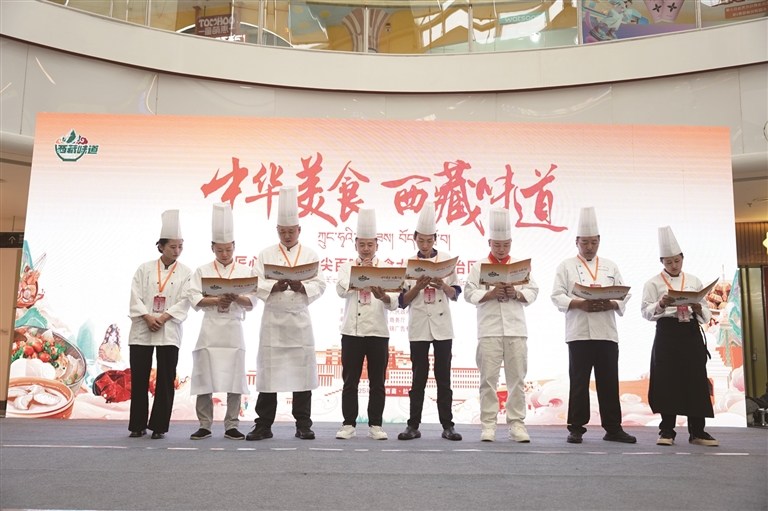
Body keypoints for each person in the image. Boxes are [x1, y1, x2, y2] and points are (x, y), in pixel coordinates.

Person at [247, 186, 326, 441]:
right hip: (273, 320)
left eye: (291, 231)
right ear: (277, 231)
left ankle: (303, 424)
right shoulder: (266, 254)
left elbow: (320, 284)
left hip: (299, 321)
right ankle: (263, 425)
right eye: (283, 232)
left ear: (299, 230)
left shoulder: (310, 254)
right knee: (269, 374)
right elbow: (254, 283)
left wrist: (302, 286)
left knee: (302, 375)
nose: (287, 236)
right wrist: (274, 287)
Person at [551, 206, 636, 444]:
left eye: (594, 242)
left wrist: (611, 303)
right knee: (579, 382)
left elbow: (624, 294)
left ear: (599, 241)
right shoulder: (566, 266)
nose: (589, 247)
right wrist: (580, 303)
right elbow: (557, 295)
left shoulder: (610, 265)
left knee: (609, 382)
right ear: (576, 242)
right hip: (579, 332)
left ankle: (613, 428)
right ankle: (576, 428)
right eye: (585, 242)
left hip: (607, 332)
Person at [464, 208, 539, 443]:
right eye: (497, 245)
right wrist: (490, 294)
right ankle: (488, 425)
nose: (501, 249)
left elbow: (533, 290)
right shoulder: (479, 266)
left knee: (517, 380)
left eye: (505, 245)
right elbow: (468, 293)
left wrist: (516, 293)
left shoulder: (520, 266)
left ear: (510, 243)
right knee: (488, 379)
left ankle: (517, 425)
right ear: (490, 243)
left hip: (516, 329)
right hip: (489, 330)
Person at [186, 203, 257, 441]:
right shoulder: (202, 270)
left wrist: (236, 297)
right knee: (205, 377)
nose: (224, 254)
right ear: (212, 248)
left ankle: (232, 425)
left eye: (228, 249)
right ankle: (204, 424)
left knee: (235, 378)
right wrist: (217, 300)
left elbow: (253, 301)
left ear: (234, 246)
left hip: (233, 328)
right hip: (210, 327)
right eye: (220, 250)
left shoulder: (245, 271)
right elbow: (194, 298)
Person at [641, 226, 717, 446]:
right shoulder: (653, 283)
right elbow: (645, 312)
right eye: (669, 262)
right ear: (662, 262)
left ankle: (698, 432)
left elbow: (706, 312)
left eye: (677, 261)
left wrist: (698, 308)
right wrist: (661, 304)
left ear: (682, 258)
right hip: (667, 333)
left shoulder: (693, 280)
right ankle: (667, 431)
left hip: (690, 332)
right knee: (667, 380)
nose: (674, 265)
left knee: (695, 380)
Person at [397, 202, 461, 441]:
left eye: (429, 240)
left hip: (443, 326)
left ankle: (448, 425)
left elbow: (455, 293)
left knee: (444, 378)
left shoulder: (446, 260)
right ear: (414, 238)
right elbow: (402, 301)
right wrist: (418, 287)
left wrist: (442, 285)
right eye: (421, 240)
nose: (425, 245)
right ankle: (412, 426)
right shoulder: (408, 264)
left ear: (435, 239)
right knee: (418, 378)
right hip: (419, 326)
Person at [127, 210, 192, 439]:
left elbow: (186, 300)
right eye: (173, 246)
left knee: (165, 379)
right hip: (143, 327)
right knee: (139, 378)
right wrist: (147, 317)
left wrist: (163, 317)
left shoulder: (186, 272)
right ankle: (137, 424)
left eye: (180, 246)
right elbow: (135, 296)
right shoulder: (144, 268)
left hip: (169, 328)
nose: (177, 251)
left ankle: (159, 426)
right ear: (161, 246)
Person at [335, 209, 399, 440]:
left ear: (377, 245)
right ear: (355, 245)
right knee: (349, 382)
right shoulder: (347, 267)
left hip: (378, 332)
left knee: (377, 382)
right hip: (351, 332)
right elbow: (341, 290)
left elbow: (394, 302)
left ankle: (376, 425)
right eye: (362, 244)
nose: (366, 249)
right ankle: (348, 425)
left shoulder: (386, 269)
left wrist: (383, 296)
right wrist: (362, 274)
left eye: (370, 245)